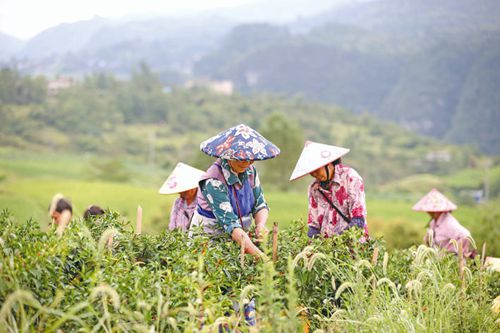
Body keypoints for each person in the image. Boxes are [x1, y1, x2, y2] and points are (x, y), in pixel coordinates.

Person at [190, 124, 280, 258]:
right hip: (209, 244)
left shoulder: (250, 171)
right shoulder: (213, 181)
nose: (246, 163)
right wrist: (261, 256)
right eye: (241, 159)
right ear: (228, 155)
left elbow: (260, 204)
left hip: (239, 239)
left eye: (250, 159)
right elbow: (231, 225)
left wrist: (260, 225)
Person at [289, 141, 367, 238]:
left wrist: (337, 242)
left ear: (328, 164)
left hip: (353, 246)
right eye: (311, 172)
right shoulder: (314, 189)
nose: (314, 175)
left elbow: (358, 220)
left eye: (317, 170)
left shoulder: (350, 178)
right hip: (326, 249)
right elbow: (314, 226)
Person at [413, 188, 476, 258]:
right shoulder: (434, 222)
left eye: (431, 210)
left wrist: (451, 251)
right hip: (440, 261)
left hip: (452, 262)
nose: (428, 212)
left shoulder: (448, 223)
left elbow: (466, 235)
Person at [159, 162, 205, 232]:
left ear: (194, 188)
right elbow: (172, 225)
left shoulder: (202, 202)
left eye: (185, 191)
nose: (181, 193)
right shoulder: (178, 203)